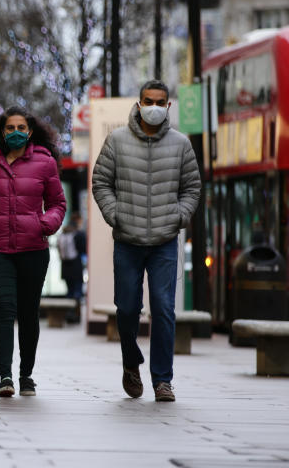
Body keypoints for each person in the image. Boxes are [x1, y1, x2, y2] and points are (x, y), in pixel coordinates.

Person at [92, 79, 201, 403]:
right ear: (139, 103)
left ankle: (162, 380)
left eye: (160, 101)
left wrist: (179, 216)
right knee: (126, 309)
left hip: (164, 242)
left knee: (164, 309)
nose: (154, 107)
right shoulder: (117, 140)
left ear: (168, 106)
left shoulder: (181, 144)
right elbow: (101, 182)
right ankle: (130, 363)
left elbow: (192, 188)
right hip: (128, 239)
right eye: (148, 100)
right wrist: (116, 214)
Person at [0, 105, 66, 398]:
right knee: (4, 311)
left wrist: (43, 225)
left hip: (33, 249)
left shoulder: (45, 162)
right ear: (2, 131)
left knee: (29, 314)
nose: (16, 133)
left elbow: (58, 203)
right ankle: (5, 375)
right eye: (10, 128)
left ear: (30, 131)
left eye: (21, 128)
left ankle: (26, 374)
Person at [58, 214, 85, 301]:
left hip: (65, 266)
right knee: (77, 293)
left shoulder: (63, 233)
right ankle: (76, 314)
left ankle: (69, 313)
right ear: (78, 220)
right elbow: (83, 249)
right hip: (76, 265)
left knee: (69, 292)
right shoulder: (79, 233)